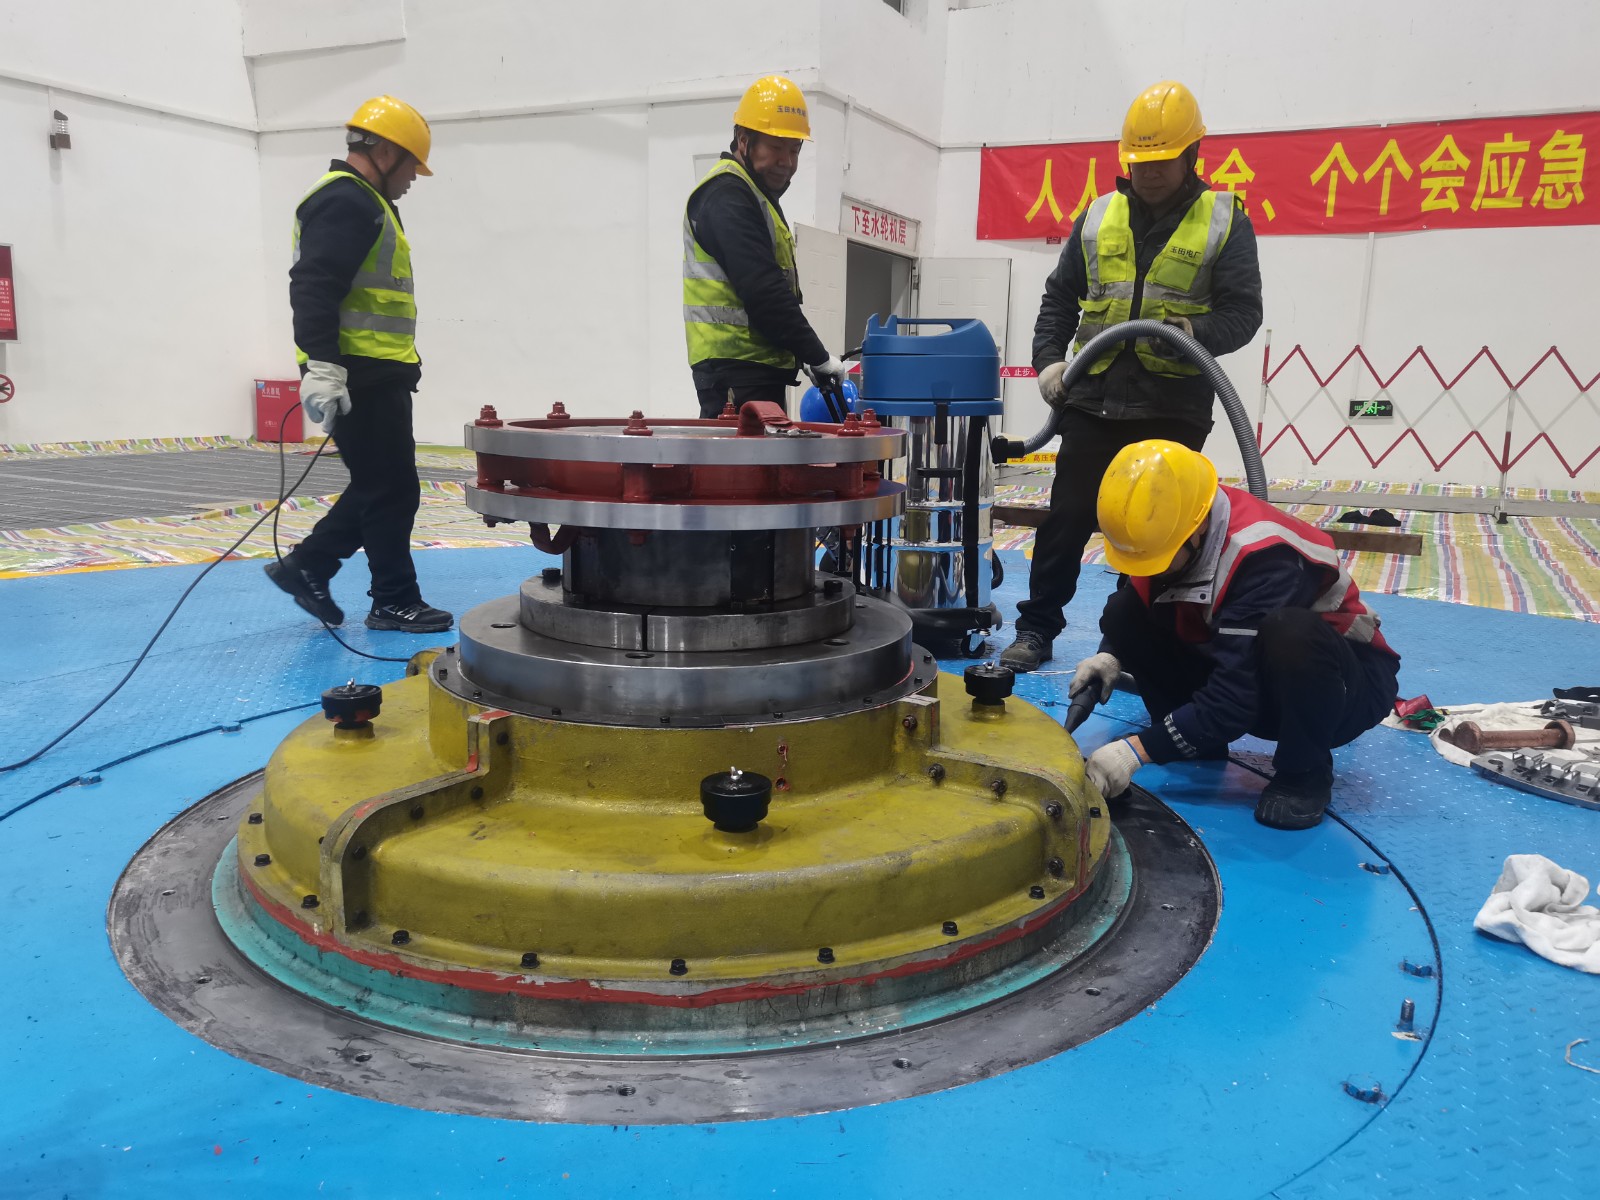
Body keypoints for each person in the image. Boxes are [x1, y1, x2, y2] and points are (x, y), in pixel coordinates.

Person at [1000, 81, 1263, 672]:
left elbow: (1244, 313)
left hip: (1173, 405)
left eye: (1163, 159)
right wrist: (1050, 362)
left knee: (1151, 531)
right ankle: (1036, 630)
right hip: (1092, 399)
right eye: (1140, 160)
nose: (1150, 172)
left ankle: (1122, 646)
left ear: (1192, 154)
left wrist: (1194, 332)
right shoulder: (1099, 216)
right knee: (1067, 518)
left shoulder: (1224, 220)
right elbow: (1059, 298)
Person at [1078, 441, 1401, 830]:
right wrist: (1111, 654)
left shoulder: (1264, 557)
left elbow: (1235, 701)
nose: (1150, 570)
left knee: (1290, 633)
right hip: (1258, 668)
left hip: (1345, 688)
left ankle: (1305, 774)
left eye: (1158, 559)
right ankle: (1192, 740)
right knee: (1122, 613)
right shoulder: (1171, 522)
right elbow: (1139, 604)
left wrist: (1135, 752)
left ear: (1197, 528)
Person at [264, 95, 452, 634]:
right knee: (390, 488)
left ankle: (310, 566)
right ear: (387, 153)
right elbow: (314, 286)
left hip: (376, 371)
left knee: (381, 485)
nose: (413, 179)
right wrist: (322, 366)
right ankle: (392, 599)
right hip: (358, 373)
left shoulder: (366, 201)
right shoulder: (346, 201)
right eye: (412, 166)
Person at [684, 75, 850, 418]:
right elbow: (764, 291)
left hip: (754, 373)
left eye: (794, 150)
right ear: (744, 140)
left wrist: (804, 356)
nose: (786, 161)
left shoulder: (752, 196)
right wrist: (818, 356)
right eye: (776, 147)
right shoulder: (727, 196)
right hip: (735, 375)